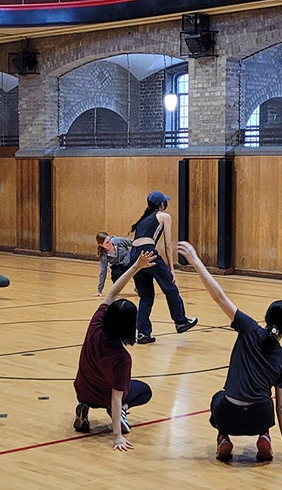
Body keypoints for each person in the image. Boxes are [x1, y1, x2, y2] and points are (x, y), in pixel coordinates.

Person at [177, 241, 282, 467]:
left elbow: (219, 296)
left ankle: (223, 436)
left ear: (266, 317)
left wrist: (196, 261)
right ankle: (264, 435)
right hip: (260, 417)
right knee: (264, 402)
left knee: (218, 397)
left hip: (228, 413)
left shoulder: (248, 328)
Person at [73, 250, 156, 451]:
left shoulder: (96, 324)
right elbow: (116, 398)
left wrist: (136, 266)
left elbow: (112, 292)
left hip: (82, 391)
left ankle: (83, 408)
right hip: (104, 398)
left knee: (106, 386)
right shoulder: (121, 358)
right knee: (143, 390)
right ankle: (118, 416)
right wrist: (117, 436)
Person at [129, 191, 197, 344]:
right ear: (162, 204)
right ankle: (180, 321)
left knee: (145, 296)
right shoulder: (164, 216)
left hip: (134, 255)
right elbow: (167, 244)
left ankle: (142, 333)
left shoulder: (143, 219)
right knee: (170, 288)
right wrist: (171, 269)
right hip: (148, 253)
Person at [93, 231, 133, 297]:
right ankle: (116, 290)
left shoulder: (117, 241)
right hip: (118, 265)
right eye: (107, 242)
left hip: (129, 259)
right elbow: (103, 272)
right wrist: (99, 290)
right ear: (101, 244)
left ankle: (139, 288)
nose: (110, 243)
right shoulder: (104, 256)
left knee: (139, 269)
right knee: (115, 275)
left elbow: (132, 243)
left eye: (109, 240)